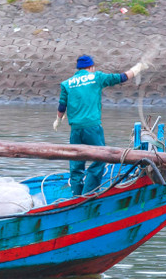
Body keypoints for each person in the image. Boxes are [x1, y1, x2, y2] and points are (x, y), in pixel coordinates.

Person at [53, 55, 147, 196]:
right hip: (92, 128)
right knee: (101, 159)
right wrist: (137, 68)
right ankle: (89, 193)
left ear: (78, 68)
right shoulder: (96, 77)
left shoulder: (67, 83)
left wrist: (58, 120)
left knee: (76, 162)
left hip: (76, 129)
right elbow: (121, 77)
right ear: (91, 67)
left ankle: (76, 194)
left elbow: (62, 106)